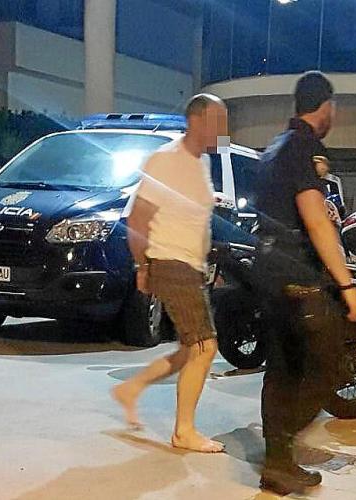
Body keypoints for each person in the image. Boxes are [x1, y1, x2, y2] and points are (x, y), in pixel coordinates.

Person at [251, 72, 356, 495]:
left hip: (268, 274)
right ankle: (281, 448)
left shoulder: (274, 147)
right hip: (298, 277)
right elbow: (315, 220)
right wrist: (348, 286)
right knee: (326, 364)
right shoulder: (303, 146)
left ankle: (278, 464)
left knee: (281, 369)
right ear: (326, 106)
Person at [112, 94, 228, 453]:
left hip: (191, 266)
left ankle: (130, 389)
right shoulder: (165, 159)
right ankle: (184, 432)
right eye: (219, 121)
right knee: (205, 347)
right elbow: (137, 218)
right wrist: (142, 266)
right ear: (196, 121)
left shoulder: (202, 162)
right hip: (169, 262)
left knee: (189, 351)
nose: (224, 129)